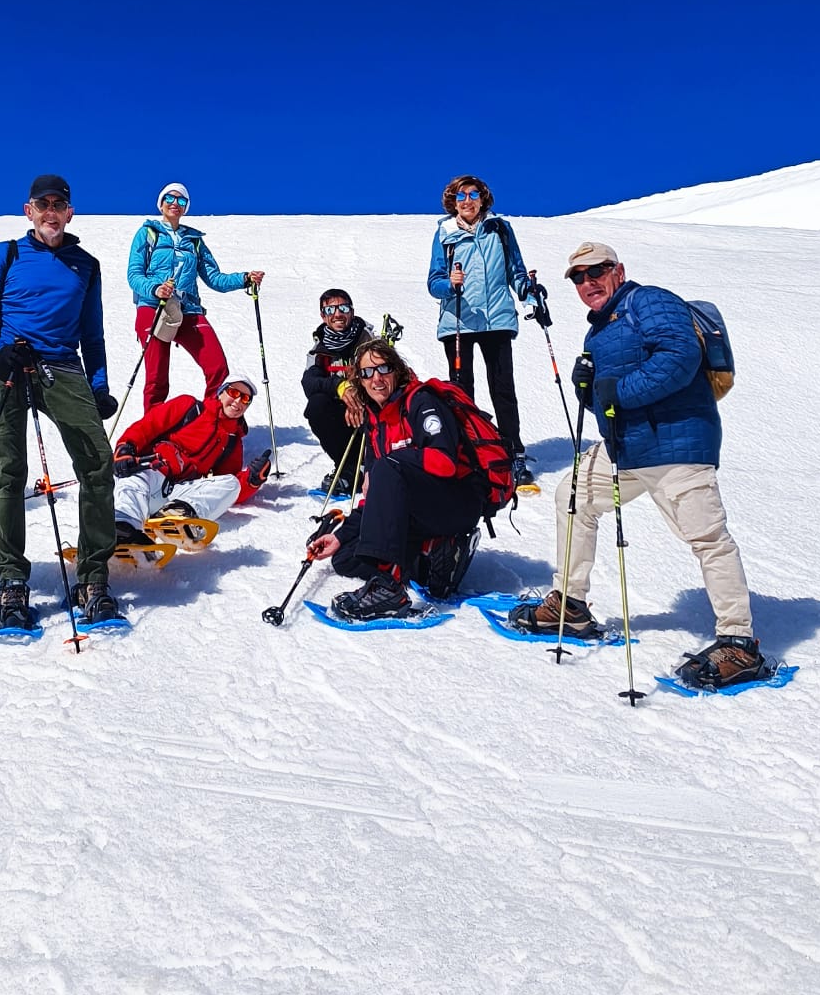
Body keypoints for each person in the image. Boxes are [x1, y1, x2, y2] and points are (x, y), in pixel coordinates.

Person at [524, 240, 765, 688]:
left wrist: (617, 391)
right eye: (578, 277)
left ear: (618, 271)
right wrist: (588, 391)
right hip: (626, 450)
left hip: (676, 444)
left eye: (597, 270)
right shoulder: (598, 330)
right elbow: (608, 406)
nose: (588, 281)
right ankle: (570, 606)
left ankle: (739, 643)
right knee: (573, 497)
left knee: (707, 538)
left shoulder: (647, 301)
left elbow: (679, 355)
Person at [0, 174, 119, 630]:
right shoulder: (8, 252)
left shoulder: (85, 265)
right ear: (28, 211)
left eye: (58, 204)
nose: (50, 211)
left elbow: (92, 334)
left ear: (69, 213)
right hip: (7, 364)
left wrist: (99, 386)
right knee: (8, 469)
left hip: (61, 366)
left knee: (97, 463)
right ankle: (12, 581)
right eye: (42, 204)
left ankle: (92, 578)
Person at [308, 337, 487, 621]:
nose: (376, 378)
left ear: (397, 370)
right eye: (367, 372)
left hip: (457, 501)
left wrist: (393, 461)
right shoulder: (375, 423)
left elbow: (444, 462)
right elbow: (378, 500)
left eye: (384, 368)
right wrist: (340, 536)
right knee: (347, 558)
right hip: (420, 509)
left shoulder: (421, 402)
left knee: (386, 468)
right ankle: (437, 557)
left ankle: (390, 589)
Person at [426, 174, 537, 490]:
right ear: (452, 201)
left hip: (497, 319)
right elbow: (434, 281)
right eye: (461, 196)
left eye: (473, 194)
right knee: (462, 391)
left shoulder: (499, 229)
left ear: (483, 198)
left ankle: (513, 452)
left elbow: (515, 271)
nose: (467, 201)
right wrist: (450, 285)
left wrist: (530, 293)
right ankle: (472, 450)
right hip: (459, 320)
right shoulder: (445, 233)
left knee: (503, 388)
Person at [126, 182, 265, 409]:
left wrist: (244, 279)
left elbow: (214, 278)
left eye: (181, 200)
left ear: (186, 207)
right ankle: (153, 426)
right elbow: (134, 274)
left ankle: (212, 421)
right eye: (169, 198)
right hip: (154, 307)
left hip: (188, 309)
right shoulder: (148, 233)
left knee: (217, 368)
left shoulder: (194, 241)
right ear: (160, 204)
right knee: (156, 377)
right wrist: (155, 288)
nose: (175, 203)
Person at [111, 373, 271, 541]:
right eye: (234, 392)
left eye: (245, 399)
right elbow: (147, 426)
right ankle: (123, 529)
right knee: (135, 480)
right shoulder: (189, 406)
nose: (238, 401)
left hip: (178, 492)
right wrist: (125, 449)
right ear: (221, 392)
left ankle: (177, 516)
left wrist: (251, 480)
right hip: (151, 472)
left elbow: (224, 489)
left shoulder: (232, 440)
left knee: (232, 484)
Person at [301, 290, 373, 493]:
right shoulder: (320, 348)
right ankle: (349, 468)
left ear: (352, 312)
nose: (337, 314)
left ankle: (373, 465)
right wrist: (340, 387)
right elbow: (309, 382)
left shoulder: (369, 340)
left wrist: (359, 397)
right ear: (323, 316)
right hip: (343, 416)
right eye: (330, 310)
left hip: (371, 410)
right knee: (317, 405)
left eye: (343, 308)